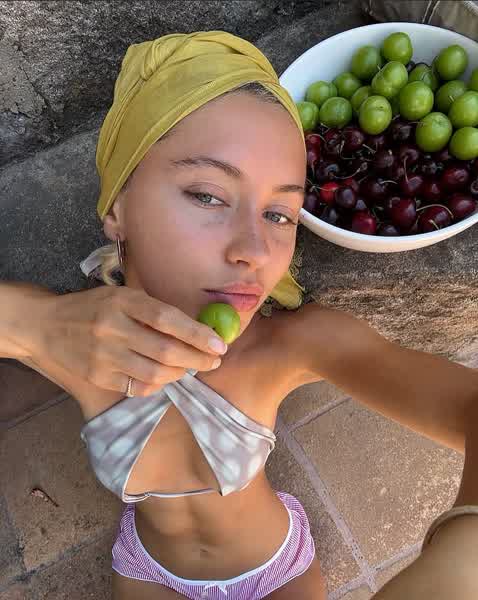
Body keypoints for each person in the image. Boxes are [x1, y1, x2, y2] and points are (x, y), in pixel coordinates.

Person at [1, 31, 477, 600]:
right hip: (147, 566)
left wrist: (466, 552)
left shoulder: (292, 346)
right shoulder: (73, 343)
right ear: (118, 206)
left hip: (274, 569)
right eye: (208, 196)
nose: (254, 250)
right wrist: (33, 322)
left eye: (279, 214)